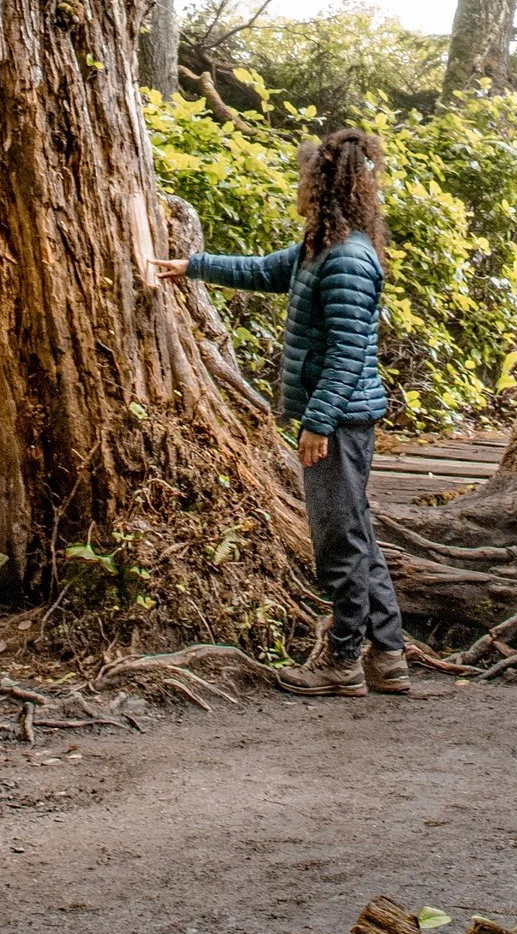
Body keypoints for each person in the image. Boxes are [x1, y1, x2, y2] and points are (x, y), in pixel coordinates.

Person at [158, 127, 412, 698]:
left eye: (303, 182)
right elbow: (262, 271)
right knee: (358, 536)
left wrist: (317, 422)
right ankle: (389, 657)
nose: (297, 191)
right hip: (342, 418)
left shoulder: (347, 259)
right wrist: (190, 266)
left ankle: (345, 663)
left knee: (338, 542)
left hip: (340, 421)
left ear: (325, 189)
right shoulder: (321, 249)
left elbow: (349, 354)